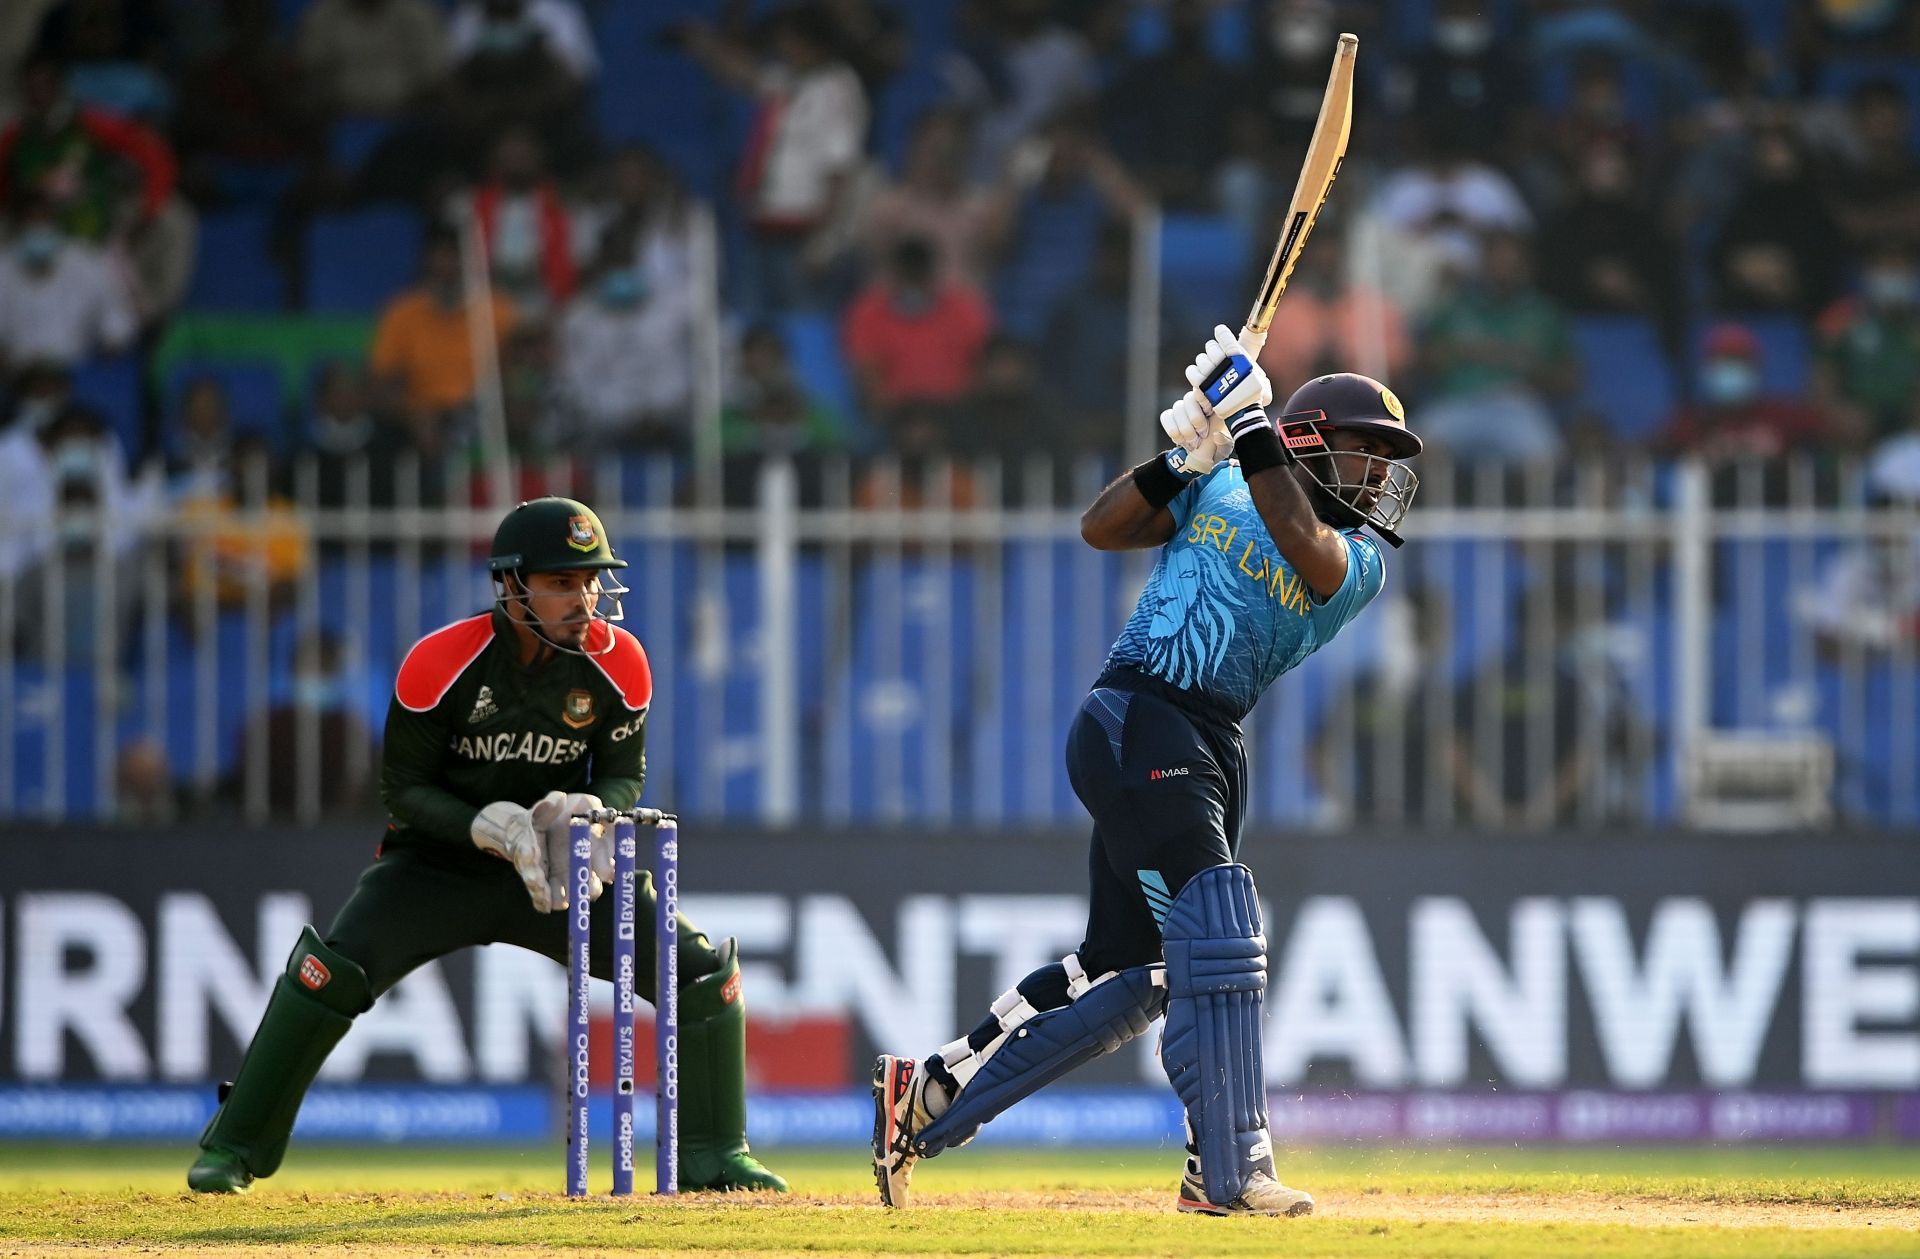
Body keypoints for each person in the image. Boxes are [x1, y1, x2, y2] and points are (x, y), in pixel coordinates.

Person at [870, 328, 1420, 1216]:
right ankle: (1230, 1166)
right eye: (1368, 448)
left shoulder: (1356, 562)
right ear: (1312, 436)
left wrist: (1246, 429)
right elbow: (1102, 528)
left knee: (1134, 972)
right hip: (1139, 713)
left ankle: (927, 1094)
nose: (1381, 471)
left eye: (1390, 456)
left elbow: (1300, 539)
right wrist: (1182, 456)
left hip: (1207, 740)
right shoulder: (1230, 475)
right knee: (1217, 923)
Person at [186, 495, 785, 1195]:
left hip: (556, 870)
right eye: (562, 581)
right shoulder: (440, 662)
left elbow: (624, 772)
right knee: (328, 973)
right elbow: (403, 789)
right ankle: (234, 1145)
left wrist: (594, 813)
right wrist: (487, 825)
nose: (585, 597)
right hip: (435, 866)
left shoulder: (620, 663)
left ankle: (716, 1154)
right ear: (509, 585)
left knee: (700, 971)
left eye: (591, 579)